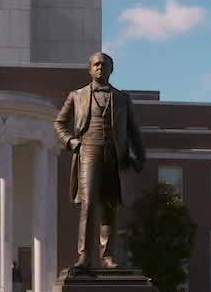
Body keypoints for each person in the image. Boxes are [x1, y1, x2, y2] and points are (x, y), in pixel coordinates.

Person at [54, 52, 146, 271]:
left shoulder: (123, 98)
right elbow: (59, 123)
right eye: (96, 64)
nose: (100, 68)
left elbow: (134, 132)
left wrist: (139, 157)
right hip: (88, 150)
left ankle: (107, 256)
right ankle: (84, 256)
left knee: (110, 206)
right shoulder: (77, 95)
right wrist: (71, 142)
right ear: (89, 69)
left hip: (115, 154)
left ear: (111, 69)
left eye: (104, 65)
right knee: (88, 204)